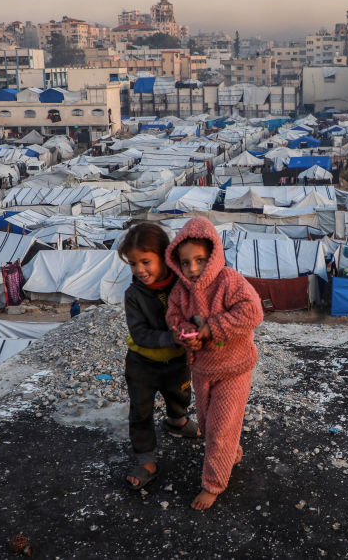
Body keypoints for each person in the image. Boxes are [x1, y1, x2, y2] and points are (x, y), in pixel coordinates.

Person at [165, 217, 264, 510]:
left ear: (214, 256)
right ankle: (229, 453)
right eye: (185, 262)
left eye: (200, 260)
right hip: (202, 370)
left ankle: (213, 484)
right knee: (210, 426)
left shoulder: (229, 280)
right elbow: (173, 317)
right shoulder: (180, 291)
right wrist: (185, 334)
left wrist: (212, 328)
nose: (193, 269)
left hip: (234, 367)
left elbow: (253, 312)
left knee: (221, 428)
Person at [118, 222, 199, 492]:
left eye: (145, 261)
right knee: (140, 410)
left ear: (165, 256)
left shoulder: (182, 284)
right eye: (133, 264)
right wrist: (169, 338)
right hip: (142, 363)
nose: (139, 270)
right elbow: (139, 333)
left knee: (180, 393)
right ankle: (146, 459)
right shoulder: (133, 296)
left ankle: (176, 420)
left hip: (176, 360)